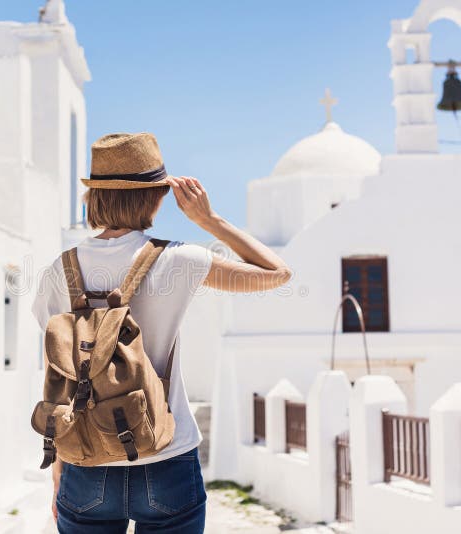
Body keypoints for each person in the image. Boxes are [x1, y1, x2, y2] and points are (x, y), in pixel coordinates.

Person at [32, 132, 291, 533]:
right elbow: (277, 274)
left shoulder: (57, 271)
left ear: (95, 196)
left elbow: (62, 379)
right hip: (166, 454)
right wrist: (210, 220)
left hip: (86, 459)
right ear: (154, 197)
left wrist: (59, 471)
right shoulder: (179, 259)